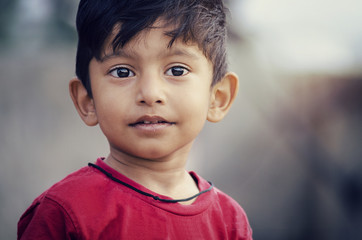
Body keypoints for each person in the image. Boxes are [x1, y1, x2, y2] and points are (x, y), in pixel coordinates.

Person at [17, 0, 253, 239]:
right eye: (122, 72)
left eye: (177, 70)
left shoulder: (230, 221)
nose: (150, 94)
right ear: (87, 100)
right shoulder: (64, 213)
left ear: (217, 97)